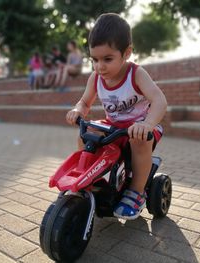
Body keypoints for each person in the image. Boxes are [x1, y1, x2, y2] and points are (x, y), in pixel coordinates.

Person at [65, 13, 167, 220]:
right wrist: (78, 110)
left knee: (137, 140)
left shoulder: (136, 74)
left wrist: (147, 124)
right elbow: (85, 102)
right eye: (94, 59)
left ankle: (136, 192)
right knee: (86, 134)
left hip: (141, 128)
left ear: (126, 53)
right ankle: (87, 177)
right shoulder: (96, 78)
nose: (100, 66)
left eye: (107, 59)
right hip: (113, 126)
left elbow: (159, 101)